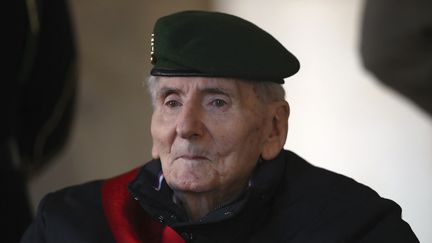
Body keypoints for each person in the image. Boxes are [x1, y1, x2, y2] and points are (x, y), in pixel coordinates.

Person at [21, 10, 419, 243]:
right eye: (171, 101)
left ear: (273, 128)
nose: (186, 127)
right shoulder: (69, 224)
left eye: (217, 102)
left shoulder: (353, 228)